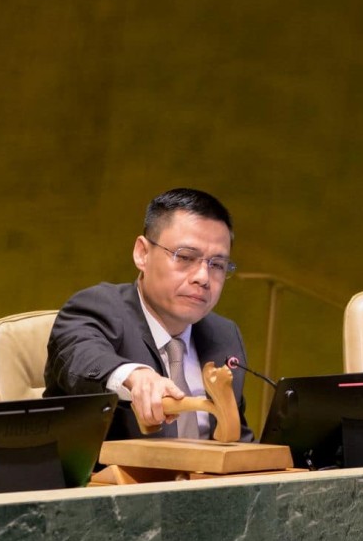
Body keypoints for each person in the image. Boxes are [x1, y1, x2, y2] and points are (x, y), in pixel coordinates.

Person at [44, 187, 254, 441]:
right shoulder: (96, 308)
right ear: (142, 254)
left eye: (217, 265)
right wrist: (135, 376)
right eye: (185, 257)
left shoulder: (224, 335)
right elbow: (81, 357)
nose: (203, 278)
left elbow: (236, 440)